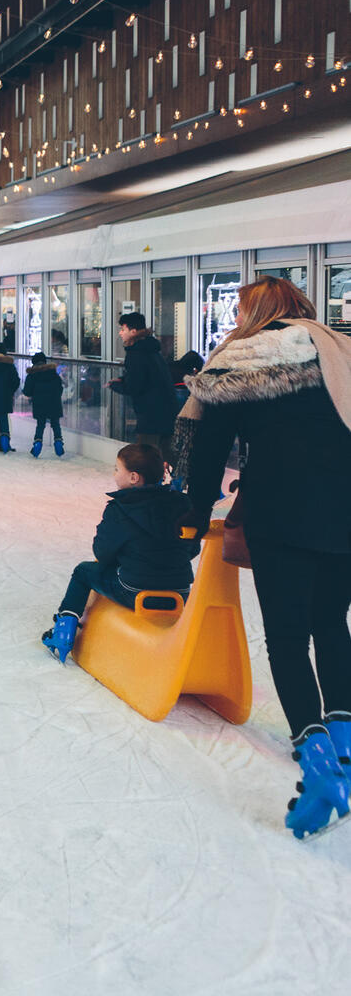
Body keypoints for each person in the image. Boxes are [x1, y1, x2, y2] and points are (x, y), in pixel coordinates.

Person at [179, 277, 351, 838]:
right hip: (346, 509)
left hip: (284, 510)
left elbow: (206, 457)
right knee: (331, 624)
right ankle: (346, 744)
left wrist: (189, 520)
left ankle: (319, 762)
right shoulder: (336, 348)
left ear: (252, 311)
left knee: (286, 635)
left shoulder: (243, 358)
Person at [40, 443, 194, 666]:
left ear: (133, 477)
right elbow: (192, 547)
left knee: (83, 571)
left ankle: (63, 632)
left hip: (135, 590)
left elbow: (102, 553)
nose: (114, 474)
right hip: (180, 590)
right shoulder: (182, 503)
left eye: (116, 469)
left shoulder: (120, 508)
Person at [109, 311, 177, 456]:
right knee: (165, 453)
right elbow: (144, 376)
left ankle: (152, 479)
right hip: (165, 410)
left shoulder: (136, 353)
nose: (120, 333)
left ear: (133, 331)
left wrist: (115, 385)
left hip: (151, 414)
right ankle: (172, 477)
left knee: (145, 457)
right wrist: (123, 379)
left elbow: (135, 386)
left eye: (123, 329)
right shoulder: (151, 349)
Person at [23, 351, 64, 456]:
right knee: (55, 424)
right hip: (54, 403)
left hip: (39, 404)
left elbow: (27, 391)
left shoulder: (32, 375)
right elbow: (60, 388)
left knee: (40, 425)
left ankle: (37, 444)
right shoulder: (53, 373)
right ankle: (59, 443)